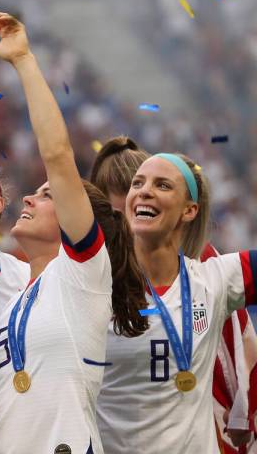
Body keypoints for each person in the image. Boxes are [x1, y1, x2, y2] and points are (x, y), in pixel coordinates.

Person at [0, 9, 147, 454]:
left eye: (46, 195)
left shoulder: (82, 276)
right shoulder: (14, 304)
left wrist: (24, 61)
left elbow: (57, 152)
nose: (28, 198)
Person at [91, 137, 257, 453]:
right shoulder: (94, 286)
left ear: (189, 210)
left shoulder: (215, 278)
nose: (144, 190)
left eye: (163, 185)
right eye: (137, 183)